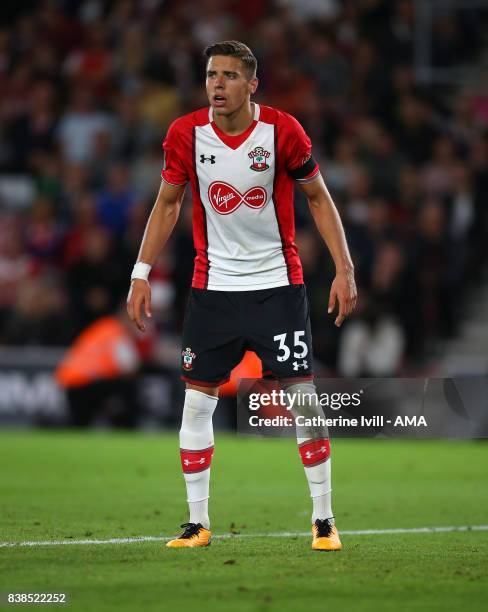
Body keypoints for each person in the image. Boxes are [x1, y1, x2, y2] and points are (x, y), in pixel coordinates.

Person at [127, 41, 357, 551]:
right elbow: (167, 204)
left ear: (252, 84)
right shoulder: (185, 134)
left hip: (277, 286)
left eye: (230, 75)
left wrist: (344, 268)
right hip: (212, 291)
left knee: (303, 401)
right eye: (212, 74)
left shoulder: (282, 131)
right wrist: (140, 273)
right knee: (195, 405)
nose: (217, 84)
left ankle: (323, 519)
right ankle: (197, 524)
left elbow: (318, 197)